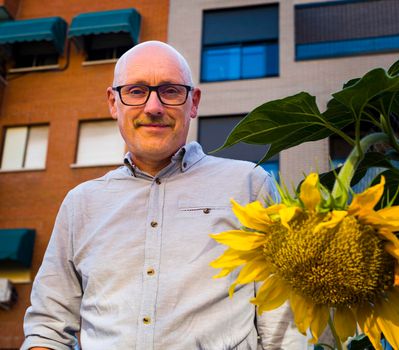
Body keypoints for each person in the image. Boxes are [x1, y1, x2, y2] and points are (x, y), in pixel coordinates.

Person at [22, 41, 307, 350]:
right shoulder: (81, 204)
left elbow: (284, 327)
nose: (153, 107)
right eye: (136, 91)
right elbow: (48, 326)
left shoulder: (250, 185)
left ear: (194, 102)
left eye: (170, 91)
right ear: (113, 102)